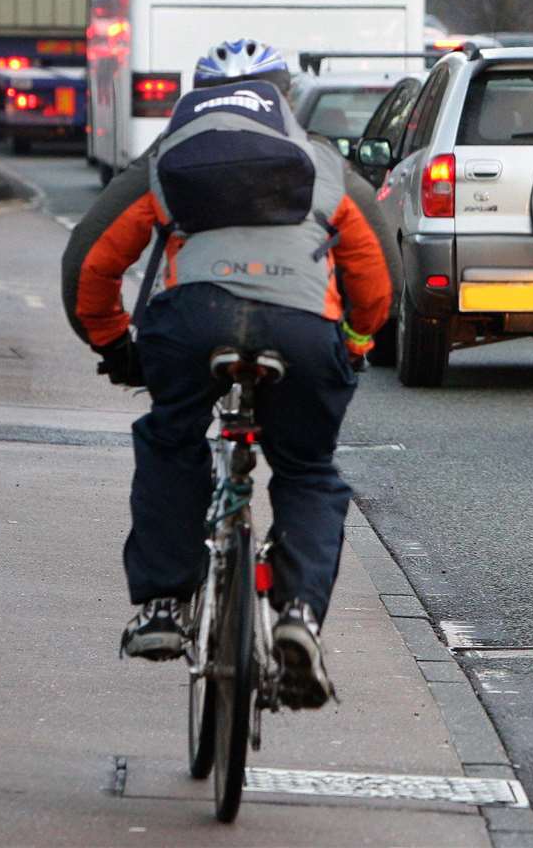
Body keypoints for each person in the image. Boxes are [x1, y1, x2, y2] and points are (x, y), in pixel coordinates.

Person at [60, 38, 396, 709]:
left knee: (171, 437)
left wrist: (114, 343)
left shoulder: (167, 158)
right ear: (286, 99)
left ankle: (163, 603)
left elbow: (89, 264)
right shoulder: (323, 164)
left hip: (193, 322)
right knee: (305, 470)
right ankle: (298, 615)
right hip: (302, 330)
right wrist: (356, 341)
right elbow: (375, 268)